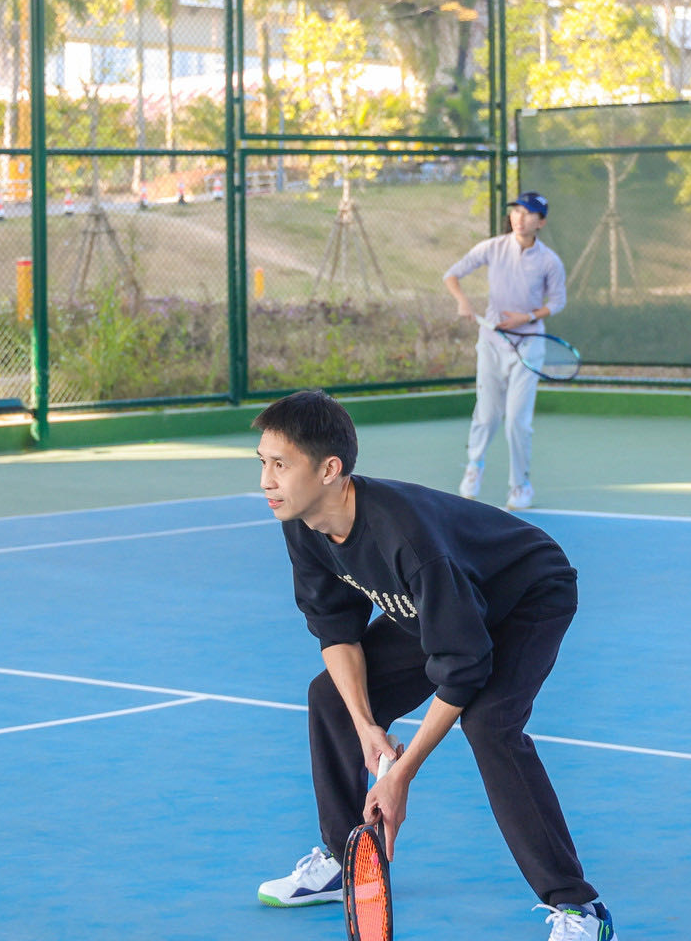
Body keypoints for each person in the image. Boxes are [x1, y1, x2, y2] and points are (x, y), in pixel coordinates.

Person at [252, 390, 614, 941]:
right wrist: (366, 726)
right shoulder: (303, 523)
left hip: (527, 594)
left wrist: (400, 775)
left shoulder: (406, 539)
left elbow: (463, 668)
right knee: (331, 697)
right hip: (443, 608)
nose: (266, 481)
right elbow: (336, 630)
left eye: (280, 465)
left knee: (490, 725)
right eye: (262, 463)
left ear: (329, 469)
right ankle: (347, 862)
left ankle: (581, 908)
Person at [443, 189, 567, 510]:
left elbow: (557, 301)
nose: (519, 218)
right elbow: (452, 274)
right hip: (491, 343)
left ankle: (520, 486)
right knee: (487, 414)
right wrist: (463, 301)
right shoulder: (493, 247)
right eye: (516, 211)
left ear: (541, 222)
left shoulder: (549, 261)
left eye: (527, 213)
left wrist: (527, 317)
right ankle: (474, 465)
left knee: (517, 422)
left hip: (529, 345)